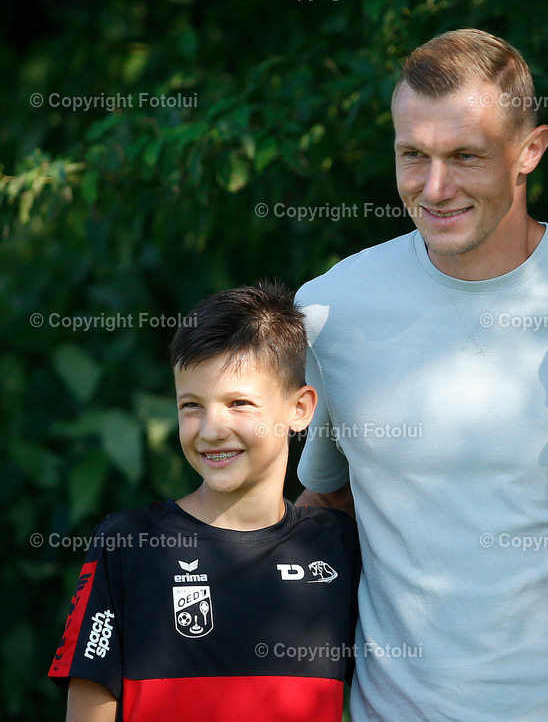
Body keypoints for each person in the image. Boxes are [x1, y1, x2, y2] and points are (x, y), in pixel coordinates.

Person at [295, 28, 548, 720]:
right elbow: (327, 503)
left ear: (531, 150)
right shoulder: (332, 309)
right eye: (413, 155)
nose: (435, 188)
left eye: (465, 156)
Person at [49, 282, 361, 722]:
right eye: (192, 405)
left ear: (300, 409)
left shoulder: (339, 547)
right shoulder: (129, 544)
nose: (212, 430)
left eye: (239, 403)